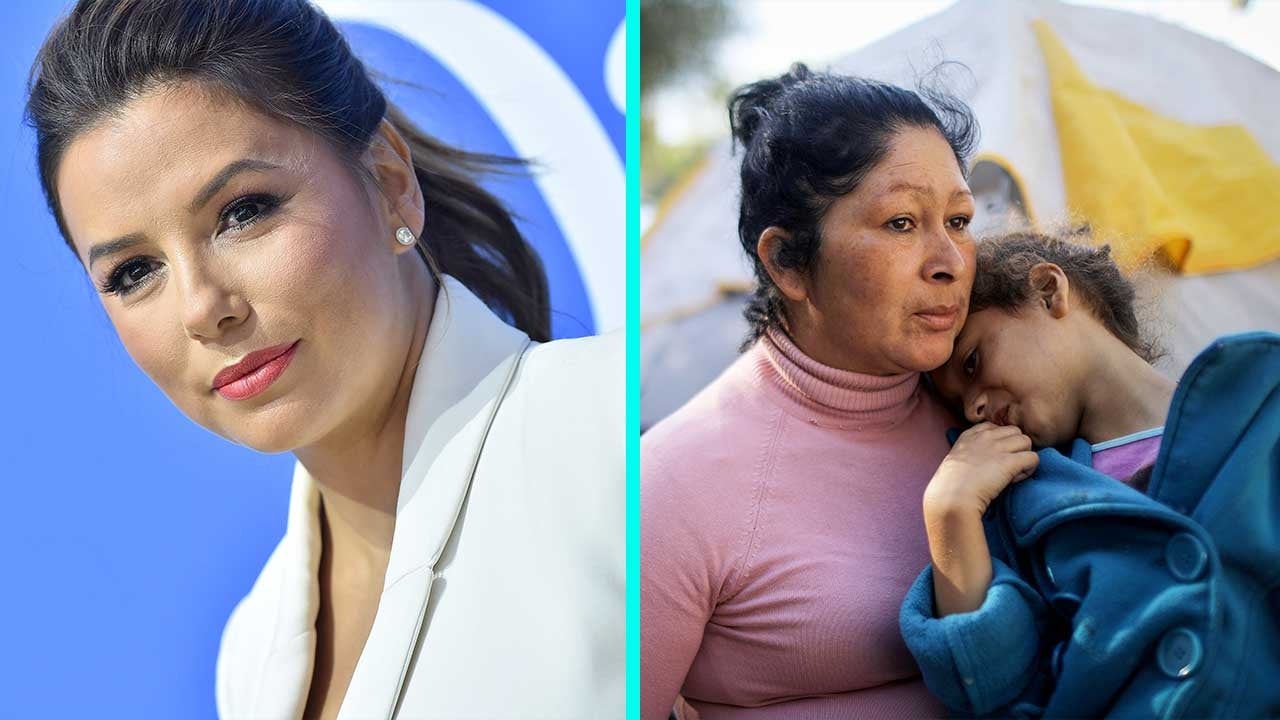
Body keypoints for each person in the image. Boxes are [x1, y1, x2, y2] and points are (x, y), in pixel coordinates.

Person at [25, 1, 624, 718]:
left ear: (388, 178)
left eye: (242, 212)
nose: (201, 306)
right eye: (134, 272)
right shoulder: (252, 650)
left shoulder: (609, 433)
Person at [641, 63, 980, 718]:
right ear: (788, 262)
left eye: (960, 220)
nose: (949, 262)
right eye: (902, 223)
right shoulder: (677, 481)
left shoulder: (993, 405)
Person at [901, 231, 1280, 717]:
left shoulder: (1259, 404)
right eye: (957, 405)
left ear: (1047, 291)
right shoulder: (1021, 505)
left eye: (973, 362)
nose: (973, 407)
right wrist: (950, 514)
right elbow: (998, 691)